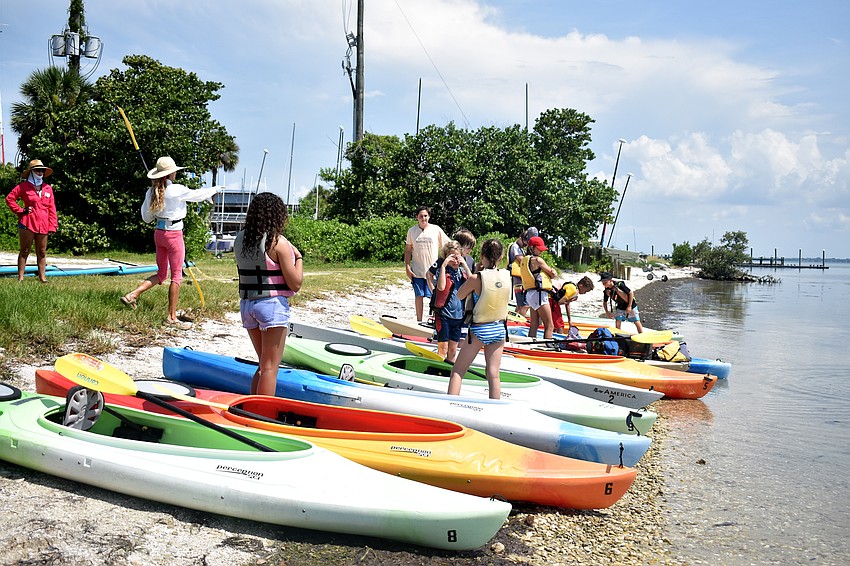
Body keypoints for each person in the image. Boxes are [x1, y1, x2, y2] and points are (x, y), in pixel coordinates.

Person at [120, 156, 222, 329]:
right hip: (174, 235)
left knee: (161, 274)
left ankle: (133, 294)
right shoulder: (176, 190)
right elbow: (197, 195)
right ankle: (171, 317)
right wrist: (215, 189)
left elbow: (146, 218)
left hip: (159, 233)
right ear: (171, 173)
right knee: (176, 276)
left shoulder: (150, 191)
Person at [233, 192, 303, 395]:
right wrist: (299, 258)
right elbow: (296, 283)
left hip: (248, 305)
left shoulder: (240, 239)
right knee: (271, 367)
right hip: (271, 306)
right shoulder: (278, 242)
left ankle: (250, 409)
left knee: (263, 364)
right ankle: (261, 417)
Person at [446, 239, 511, 400]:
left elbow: (460, 294)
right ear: (501, 256)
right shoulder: (506, 275)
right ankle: (494, 409)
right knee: (493, 374)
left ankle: (449, 407)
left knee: (458, 371)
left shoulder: (477, 278)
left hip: (480, 329)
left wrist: (475, 272)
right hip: (499, 329)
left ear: (482, 256)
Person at [5, 159, 58, 283]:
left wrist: (53, 225)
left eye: (42, 171)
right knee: (25, 250)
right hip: (27, 222)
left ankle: (42, 277)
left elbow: (52, 207)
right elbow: (10, 199)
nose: (40, 173)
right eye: (38, 170)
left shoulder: (48, 188)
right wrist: (20, 210)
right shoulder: (23, 186)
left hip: (44, 224)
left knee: (42, 251)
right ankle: (20, 278)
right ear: (32, 172)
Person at [403, 205, 448, 321]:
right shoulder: (412, 231)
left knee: (433, 295)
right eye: (421, 216)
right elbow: (408, 250)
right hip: (417, 269)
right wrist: (407, 266)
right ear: (417, 218)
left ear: (429, 216)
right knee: (419, 295)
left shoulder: (436, 229)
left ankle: (434, 319)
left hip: (432, 271)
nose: (423, 218)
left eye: (425, 216)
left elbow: (447, 245)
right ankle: (419, 320)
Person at [428, 240, 469, 361]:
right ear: (446, 257)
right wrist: (444, 265)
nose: (455, 261)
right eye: (452, 257)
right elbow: (440, 287)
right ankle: (439, 370)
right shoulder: (443, 271)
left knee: (453, 349)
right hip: (444, 315)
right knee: (443, 348)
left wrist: (465, 265)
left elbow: (472, 281)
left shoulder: (462, 273)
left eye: (457, 257)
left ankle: (450, 372)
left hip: (458, 317)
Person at [520, 235, 558, 339]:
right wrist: (553, 272)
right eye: (539, 249)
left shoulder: (525, 260)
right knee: (549, 325)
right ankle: (547, 347)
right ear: (532, 248)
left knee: (534, 324)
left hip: (530, 295)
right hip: (539, 295)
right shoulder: (538, 260)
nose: (541, 251)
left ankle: (531, 343)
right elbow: (552, 274)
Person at [508, 228, 535, 317]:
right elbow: (521, 260)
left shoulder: (520, 248)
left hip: (519, 279)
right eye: (525, 243)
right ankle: (520, 321)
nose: (525, 245)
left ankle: (515, 319)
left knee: (520, 304)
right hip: (518, 280)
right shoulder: (515, 247)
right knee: (525, 304)